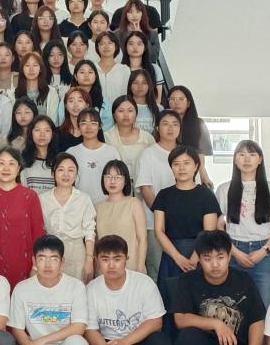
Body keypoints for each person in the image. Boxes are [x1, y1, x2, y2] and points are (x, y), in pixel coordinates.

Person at [172, 230, 268, 345]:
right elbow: (180, 319)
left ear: (229, 256)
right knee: (186, 338)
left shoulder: (244, 281)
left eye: (220, 257)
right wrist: (216, 323)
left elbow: (257, 320)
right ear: (199, 259)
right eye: (207, 258)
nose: (214, 264)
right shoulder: (188, 281)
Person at [85, 235, 171, 345]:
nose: (111, 265)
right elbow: (90, 330)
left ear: (126, 259)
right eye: (105, 259)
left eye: (117, 259)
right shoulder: (91, 289)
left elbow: (156, 322)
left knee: (161, 342)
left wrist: (126, 342)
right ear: (96, 260)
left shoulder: (143, 283)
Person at [216, 139, 270, 316]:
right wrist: (234, 252)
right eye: (241, 154)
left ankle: (261, 337)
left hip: (264, 254)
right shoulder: (224, 189)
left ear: (260, 159)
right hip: (233, 251)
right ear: (235, 160)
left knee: (263, 305)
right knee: (232, 307)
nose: (247, 159)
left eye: (252, 154)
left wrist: (263, 251)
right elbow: (218, 227)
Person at [152, 145, 221, 303]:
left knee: (200, 303)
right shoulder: (164, 195)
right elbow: (159, 231)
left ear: (196, 166)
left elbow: (208, 232)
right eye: (176, 164)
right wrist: (178, 258)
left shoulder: (206, 195)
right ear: (171, 167)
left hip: (201, 255)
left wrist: (195, 258)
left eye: (186, 163)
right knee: (170, 303)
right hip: (171, 255)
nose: (181, 168)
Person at [0, 148, 46, 289]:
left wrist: (36, 267)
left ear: (18, 169)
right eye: (1, 163)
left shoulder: (30, 196)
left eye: (11, 163)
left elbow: (38, 233)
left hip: (23, 264)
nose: (6, 168)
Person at [135, 110, 182, 281]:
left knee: (180, 271)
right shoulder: (148, 154)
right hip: (153, 222)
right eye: (165, 124)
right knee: (156, 269)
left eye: (175, 124)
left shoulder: (186, 154)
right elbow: (145, 188)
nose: (170, 128)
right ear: (157, 128)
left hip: (182, 225)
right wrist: (162, 215)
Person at [39, 153, 96, 282]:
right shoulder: (42, 199)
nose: (66, 174)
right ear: (53, 173)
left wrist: (89, 260)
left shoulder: (84, 199)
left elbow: (89, 231)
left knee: (77, 287)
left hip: (76, 251)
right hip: (50, 251)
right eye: (61, 170)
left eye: (71, 170)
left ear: (76, 175)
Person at [94, 160, 146, 272]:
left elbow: (142, 239)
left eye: (117, 177)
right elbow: (95, 241)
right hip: (105, 268)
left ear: (126, 180)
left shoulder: (134, 203)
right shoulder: (97, 207)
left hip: (131, 266)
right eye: (108, 177)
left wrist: (140, 265)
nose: (112, 181)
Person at [66, 108, 118, 204]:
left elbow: (119, 180)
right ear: (78, 126)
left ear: (100, 126)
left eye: (93, 123)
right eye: (83, 123)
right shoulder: (71, 152)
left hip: (107, 205)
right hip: (79, 206)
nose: (88, 127)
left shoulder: (111, 152)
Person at [166, 86, 213, 188]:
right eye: (173, 99)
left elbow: (200, 152)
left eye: (181, 99)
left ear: (188, 103)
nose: (176, 103)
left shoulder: (198, 124)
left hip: (191, 171)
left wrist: (203, 174)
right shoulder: (162, 124)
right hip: (167, 168)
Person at [104, 96, 155, 180]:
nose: (126, 115)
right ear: (113, 114)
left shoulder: (147, 138)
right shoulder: (106, 138)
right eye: (121, 111)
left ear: (136, 114)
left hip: (143, 184)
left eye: (130, 111)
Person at [16, 52, 61, 123]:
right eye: (27, 65)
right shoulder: (13, 93)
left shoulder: (51, 92)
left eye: (35, 65)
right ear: (22, 70)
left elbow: (53, 121)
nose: (31, 69)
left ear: (40, 69)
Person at [20, 115, 59, 193]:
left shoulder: (59, 160)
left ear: (52, 134)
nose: (42, 134)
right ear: (31, 133)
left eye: (47, 130)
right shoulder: (22, 160)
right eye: (37, 130)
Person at [127, 69, 160, 135]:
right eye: (135, 83)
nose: (140, 86)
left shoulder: (159, 108)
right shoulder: (123, 107)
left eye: (144, 83)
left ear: (149, 86)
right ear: (130, 86)